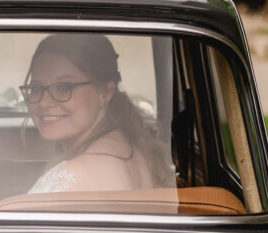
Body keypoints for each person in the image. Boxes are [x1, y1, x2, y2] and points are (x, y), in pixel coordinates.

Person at [21, 34, 173, 194]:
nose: (44, 102)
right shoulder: (137, 150)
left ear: (106, 92)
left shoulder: (73, 177)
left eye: (63, 87)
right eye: (36, 89)